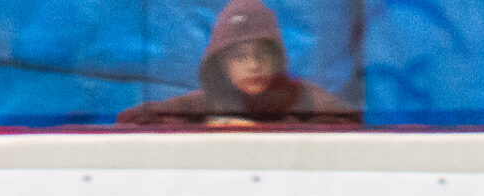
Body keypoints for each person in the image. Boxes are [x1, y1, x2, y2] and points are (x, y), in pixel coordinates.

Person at [118, 0, 358, 127]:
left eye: (262, 55)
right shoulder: (206, 103)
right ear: (222, 65)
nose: (253, 65)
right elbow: (132, 119)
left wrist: (262, 132)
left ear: (277, 59)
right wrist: (212, 127)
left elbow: (349, 124)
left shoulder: (304, 98)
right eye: (240, 57)